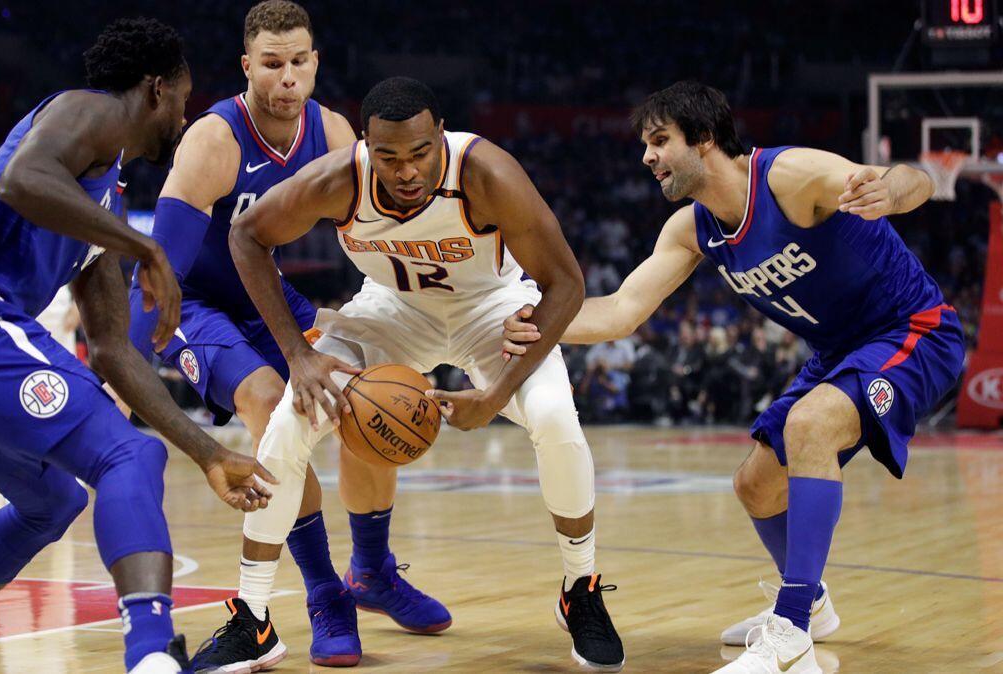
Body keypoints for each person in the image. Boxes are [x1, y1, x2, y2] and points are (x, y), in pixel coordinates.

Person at [501, 80, 964, 673]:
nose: (647, 156)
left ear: (706, 138)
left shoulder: (789, 178)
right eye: (646, 144)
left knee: (811, 423)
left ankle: (792, 628)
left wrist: (891, 190)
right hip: (838, 350)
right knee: (756, 485)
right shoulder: (693, 230)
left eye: (659, 140)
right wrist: (538, 323)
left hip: (914, 332)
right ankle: (815, 605)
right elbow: (620, 311)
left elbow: (911, 177)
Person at [0, 19, 275, 674]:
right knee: (129, 455)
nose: (183, 113)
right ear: (153, 90)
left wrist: (208, 453)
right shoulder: (82, 110)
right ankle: (150, 655)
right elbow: (21, 180)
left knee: (51, 501)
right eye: (181, 97)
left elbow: (114, 353)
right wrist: (144, 247)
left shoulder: (105, 206)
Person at [195, 76, 624, 672]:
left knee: (554, 418)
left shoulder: (486, 173)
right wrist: (299, 354)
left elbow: (567, 283)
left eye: (420, 153)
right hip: (392, 309)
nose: (405, 170)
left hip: (492, 310)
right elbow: (246, 236)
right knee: (291, 420)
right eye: (389, 156)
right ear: (367, 144)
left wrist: (494, 394)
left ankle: (580, 589)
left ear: (440, 138)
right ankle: (254, 618)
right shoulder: (338, 180)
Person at [127, 4, 444, 667]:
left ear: (315, 63)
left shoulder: (331, 132)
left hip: (267, 292)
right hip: (197, 302)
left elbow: (387, 232)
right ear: (248, 67)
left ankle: (374, 572)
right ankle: (325, 592)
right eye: (272, 63)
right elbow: (161, 274)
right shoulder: (215, 141)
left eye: (299, 61)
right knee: (272, 402)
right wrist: (126, 367)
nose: (287, 76)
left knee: (362, 397)